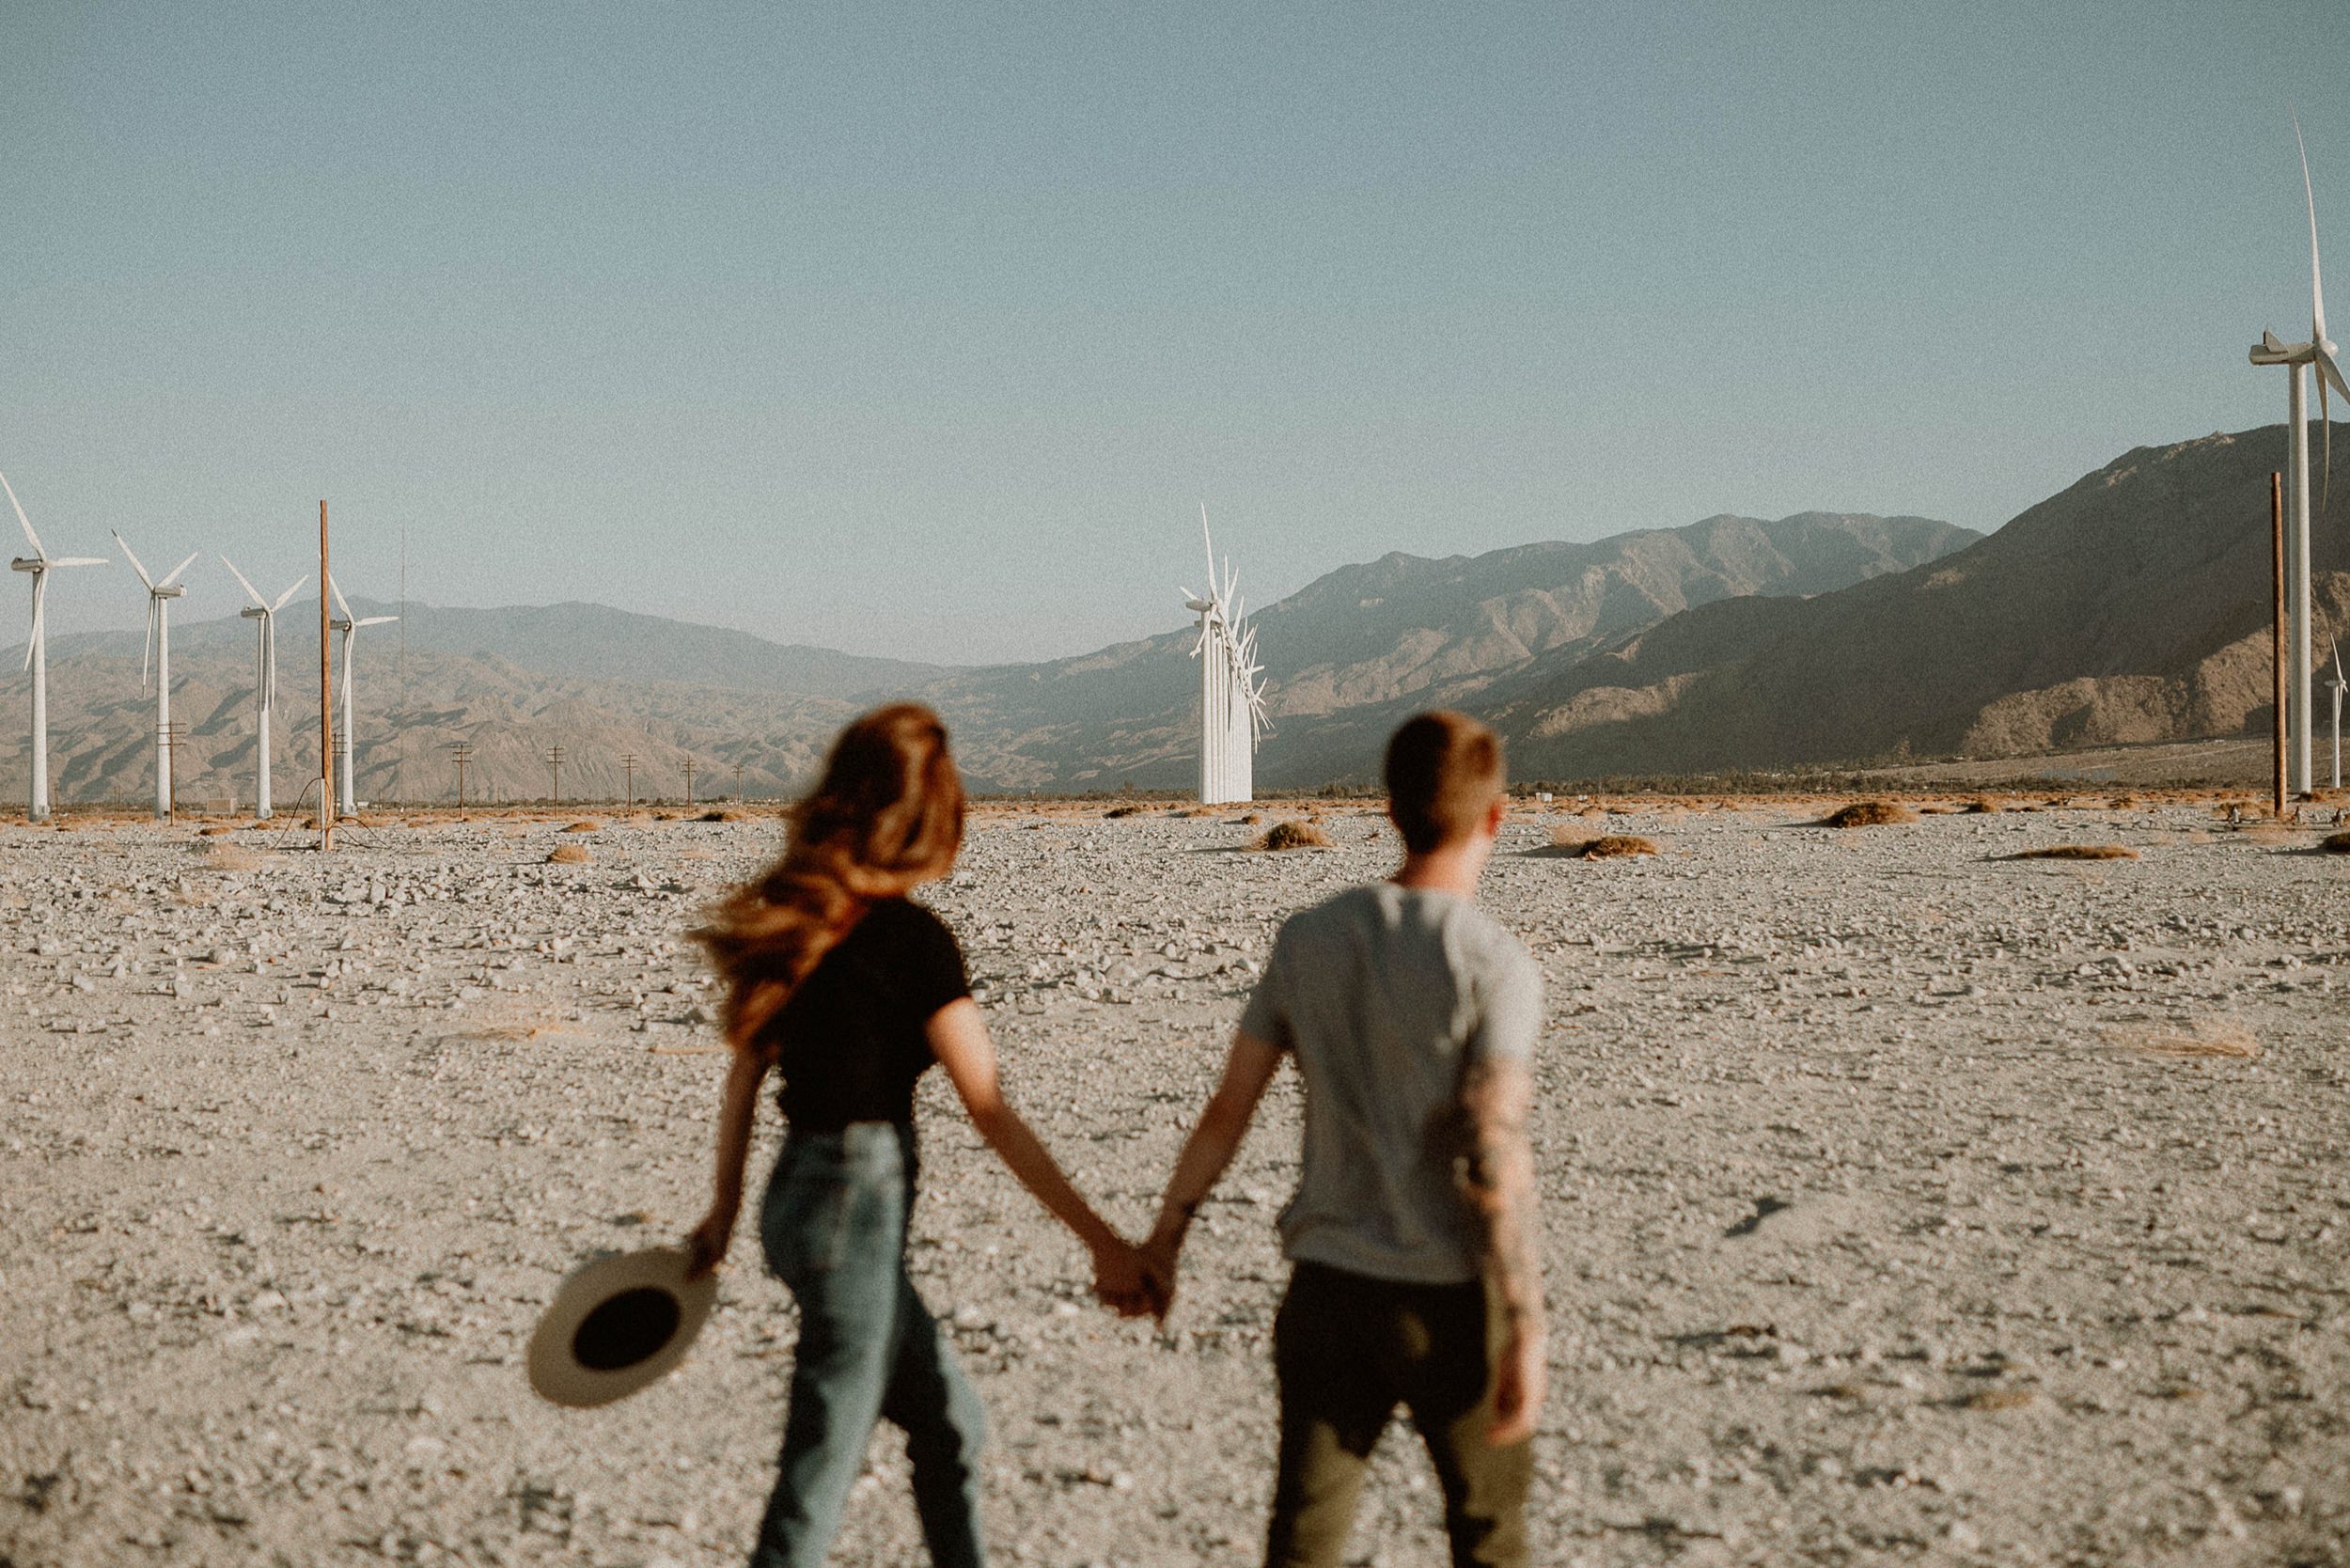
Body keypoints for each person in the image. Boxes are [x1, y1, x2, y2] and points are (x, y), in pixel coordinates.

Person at [683, 703, 1153, 1568]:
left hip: (793, 1205)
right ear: (934, 813)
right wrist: (1103, 1242)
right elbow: (991, 1109)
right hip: (852, 1216)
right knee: (818, 1473)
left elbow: (746, 1075)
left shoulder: (800, 920)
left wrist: (721, 1213)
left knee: (950, 1425)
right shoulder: (913, 943)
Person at [1139, 710, 1548, 1568]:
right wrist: (1526, 1320)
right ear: (1497, 817)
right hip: (1448, 1299)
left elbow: (1227, 1111)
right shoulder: (1494, 963)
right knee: (1488, 1535)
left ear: (1389, 810)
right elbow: (1493, 1144)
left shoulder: (1307, 939)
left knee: (1305, 1536)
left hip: (1327, 1293)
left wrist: (1165, 1239)